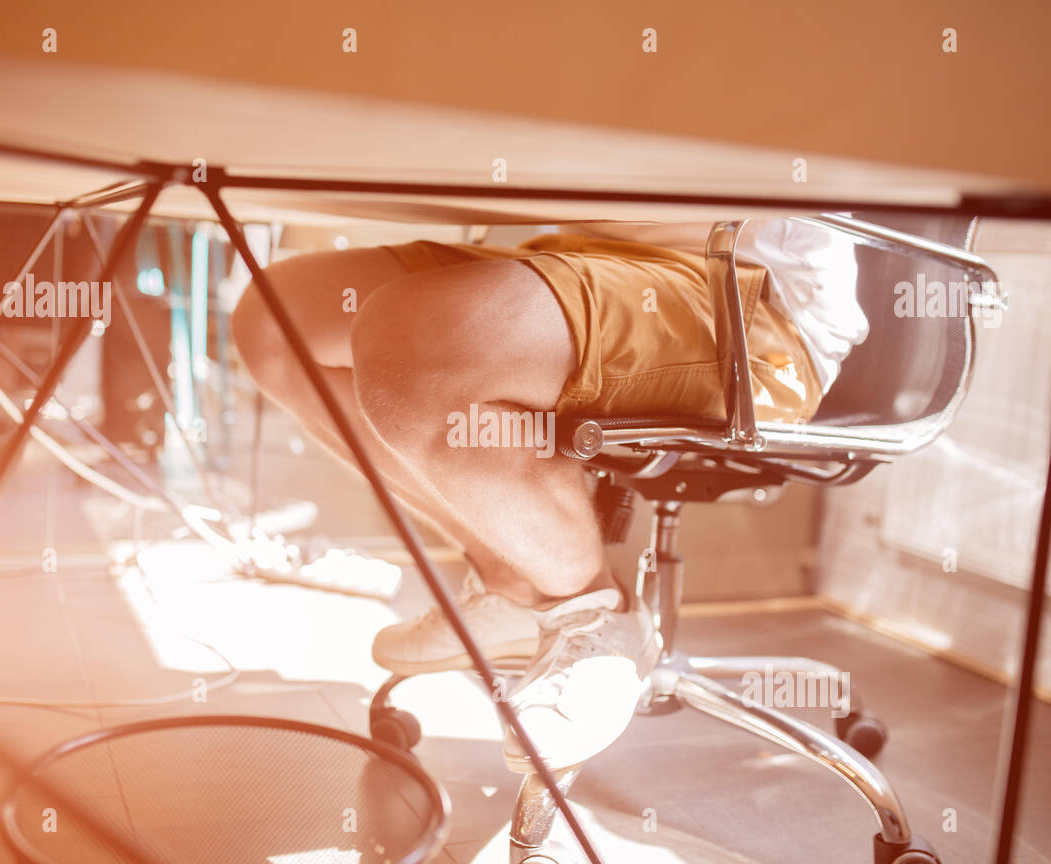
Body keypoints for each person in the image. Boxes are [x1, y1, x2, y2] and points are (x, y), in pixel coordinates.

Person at [230, 218, 867, 773]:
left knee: (423, 339)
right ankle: (511, 583)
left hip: (745, 296)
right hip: (571, 255)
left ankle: (592, 607)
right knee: (275, 316)